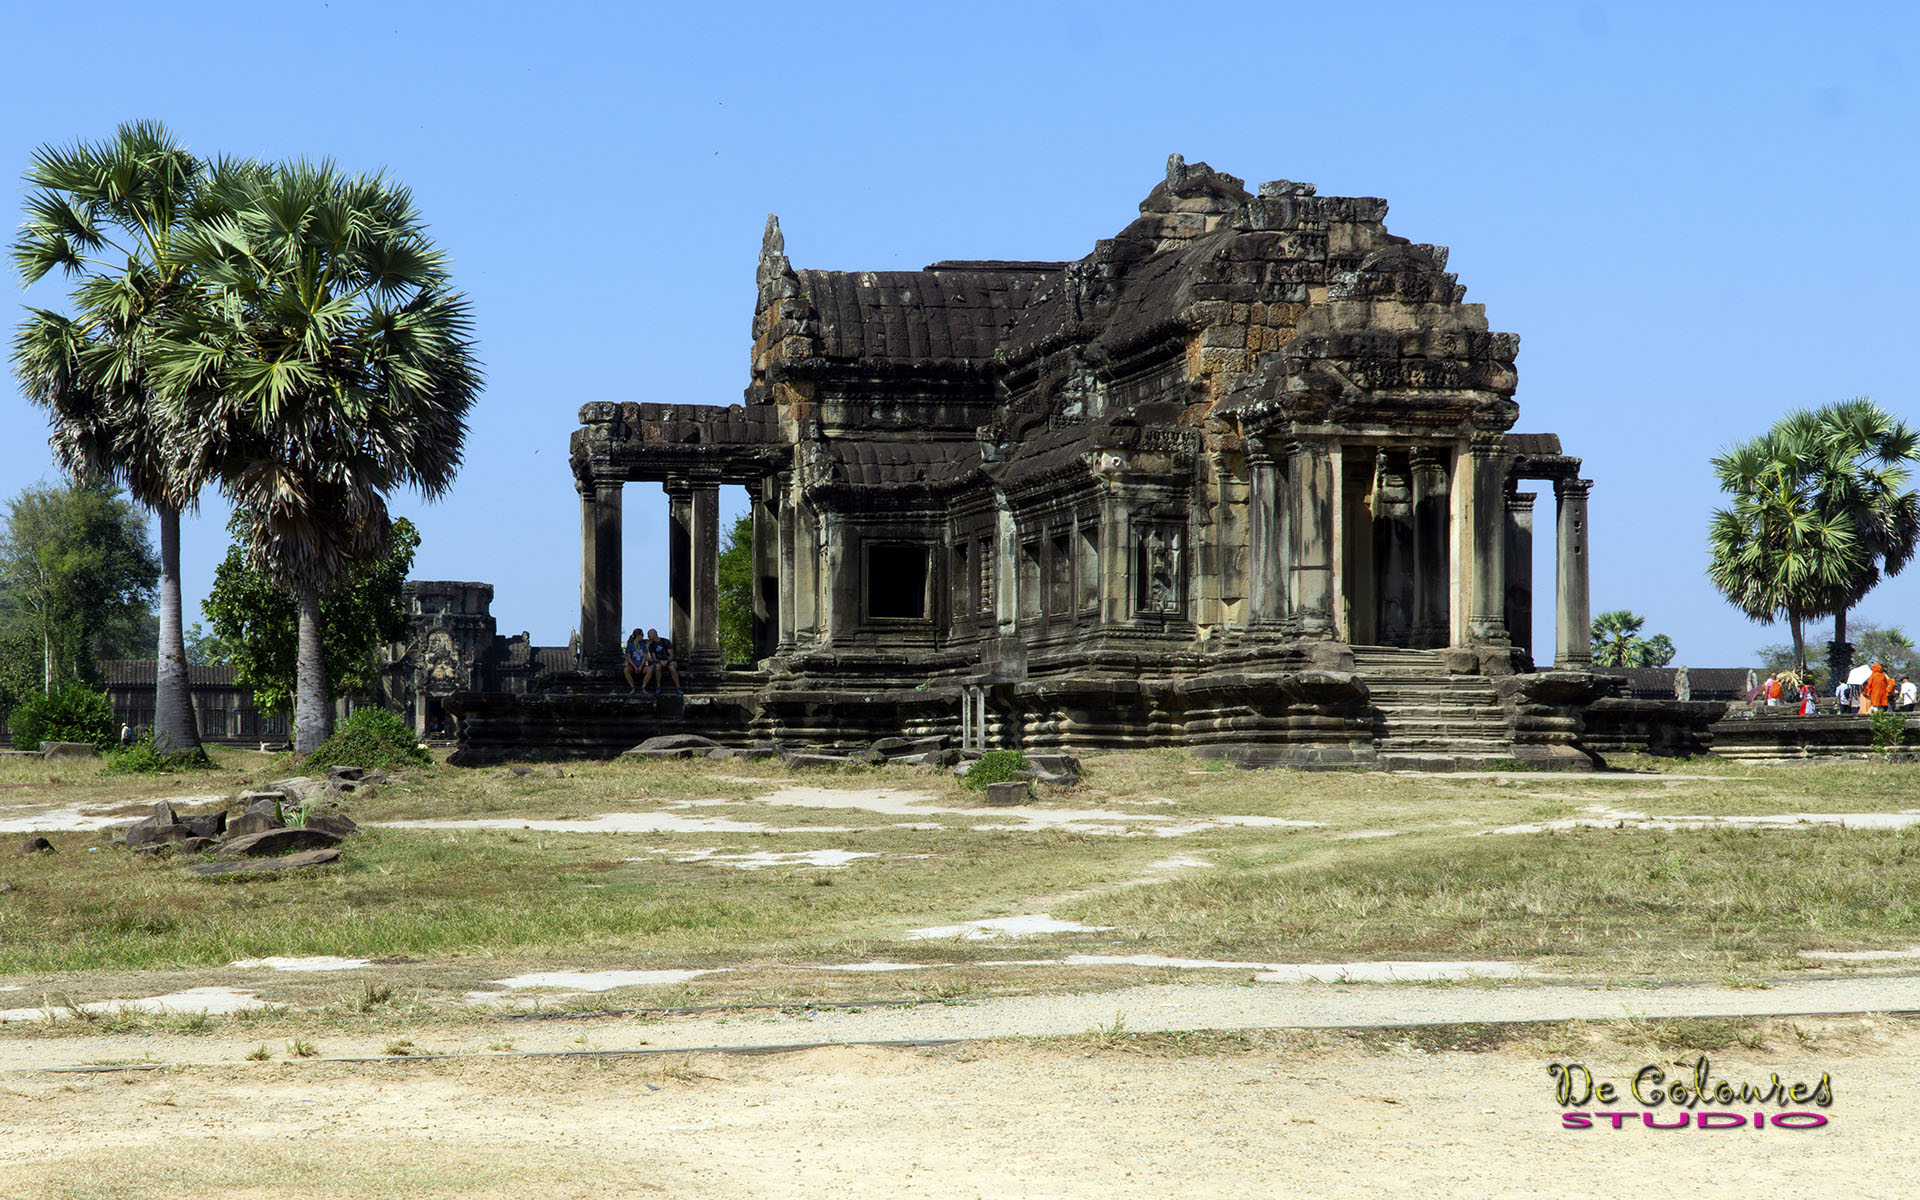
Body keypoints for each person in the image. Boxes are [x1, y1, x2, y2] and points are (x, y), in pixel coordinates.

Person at [642, 627, 681, 694]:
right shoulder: (651, 645)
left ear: (654, 634)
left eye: (649, 635)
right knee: (657, 667)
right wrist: (660, 662)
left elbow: (671, 655)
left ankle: (678, 686)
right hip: (659, 662)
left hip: (669, 660)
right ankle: (658, 685)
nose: (648, 637)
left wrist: (666, 661)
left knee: (672, 667)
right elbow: (654, 658)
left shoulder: (665, 641)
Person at [621, 627, 647, 694]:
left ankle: (643, 687)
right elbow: (628, 657)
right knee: (626, 670)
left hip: (641, 664)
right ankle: (633, 688)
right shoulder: (630, 645)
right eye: (642, 635)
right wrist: (635, 666)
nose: (642, 637)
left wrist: (641, 665)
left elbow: (644, 656)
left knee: (650, 670)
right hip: (632, 665)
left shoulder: (643, 645)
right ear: (638, 636)